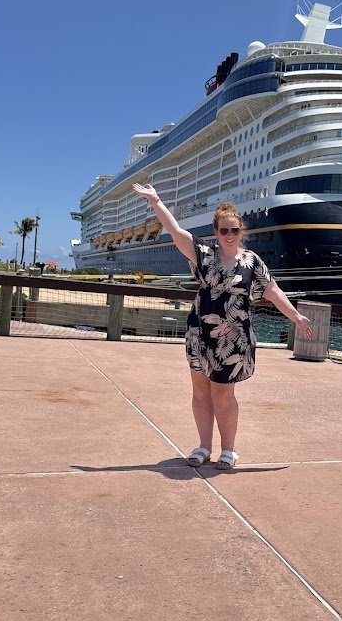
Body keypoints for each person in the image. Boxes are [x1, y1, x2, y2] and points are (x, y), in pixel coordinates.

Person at [133, 182, 312, 469]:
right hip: (200, 335)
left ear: (242, 231)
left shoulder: (252, 262)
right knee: (200, 391)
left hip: (234, 339)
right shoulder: (204, 255)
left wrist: (296, 316)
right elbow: (176, 232)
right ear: (216, 232)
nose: (229, 235)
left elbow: (273, 291)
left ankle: (227, 450)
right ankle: (204, 447)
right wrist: (155, 201)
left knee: (223, 393)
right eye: (223, 230)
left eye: (235, 230)